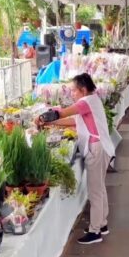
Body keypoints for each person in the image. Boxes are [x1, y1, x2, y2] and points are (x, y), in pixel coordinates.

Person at [35, 73, 115, 245]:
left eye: (73, 90)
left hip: (97, 148)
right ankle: (101, 223)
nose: (71, 93)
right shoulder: (91, 101)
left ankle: (95, 232)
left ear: (83, 90)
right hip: (100, 146)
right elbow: (73, 120)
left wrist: (44, 117)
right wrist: (49, 124)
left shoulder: (86, 102)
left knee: (95, 190)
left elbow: (62, 113)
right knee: (99, 188)